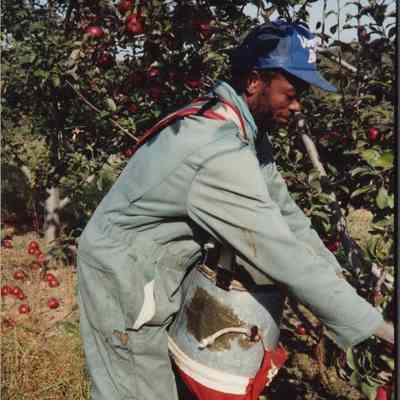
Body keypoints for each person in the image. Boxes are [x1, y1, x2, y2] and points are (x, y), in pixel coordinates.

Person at [77, 20, 394, 400]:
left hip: (154, 265)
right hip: (122, 274)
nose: (296, 107)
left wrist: (338, 277)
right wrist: (376, 327)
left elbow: (288, 216)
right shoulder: (217, 150)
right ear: (255, 81)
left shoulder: (244, 129)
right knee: (135, 388)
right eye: (290, 93)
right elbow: (280, 250)